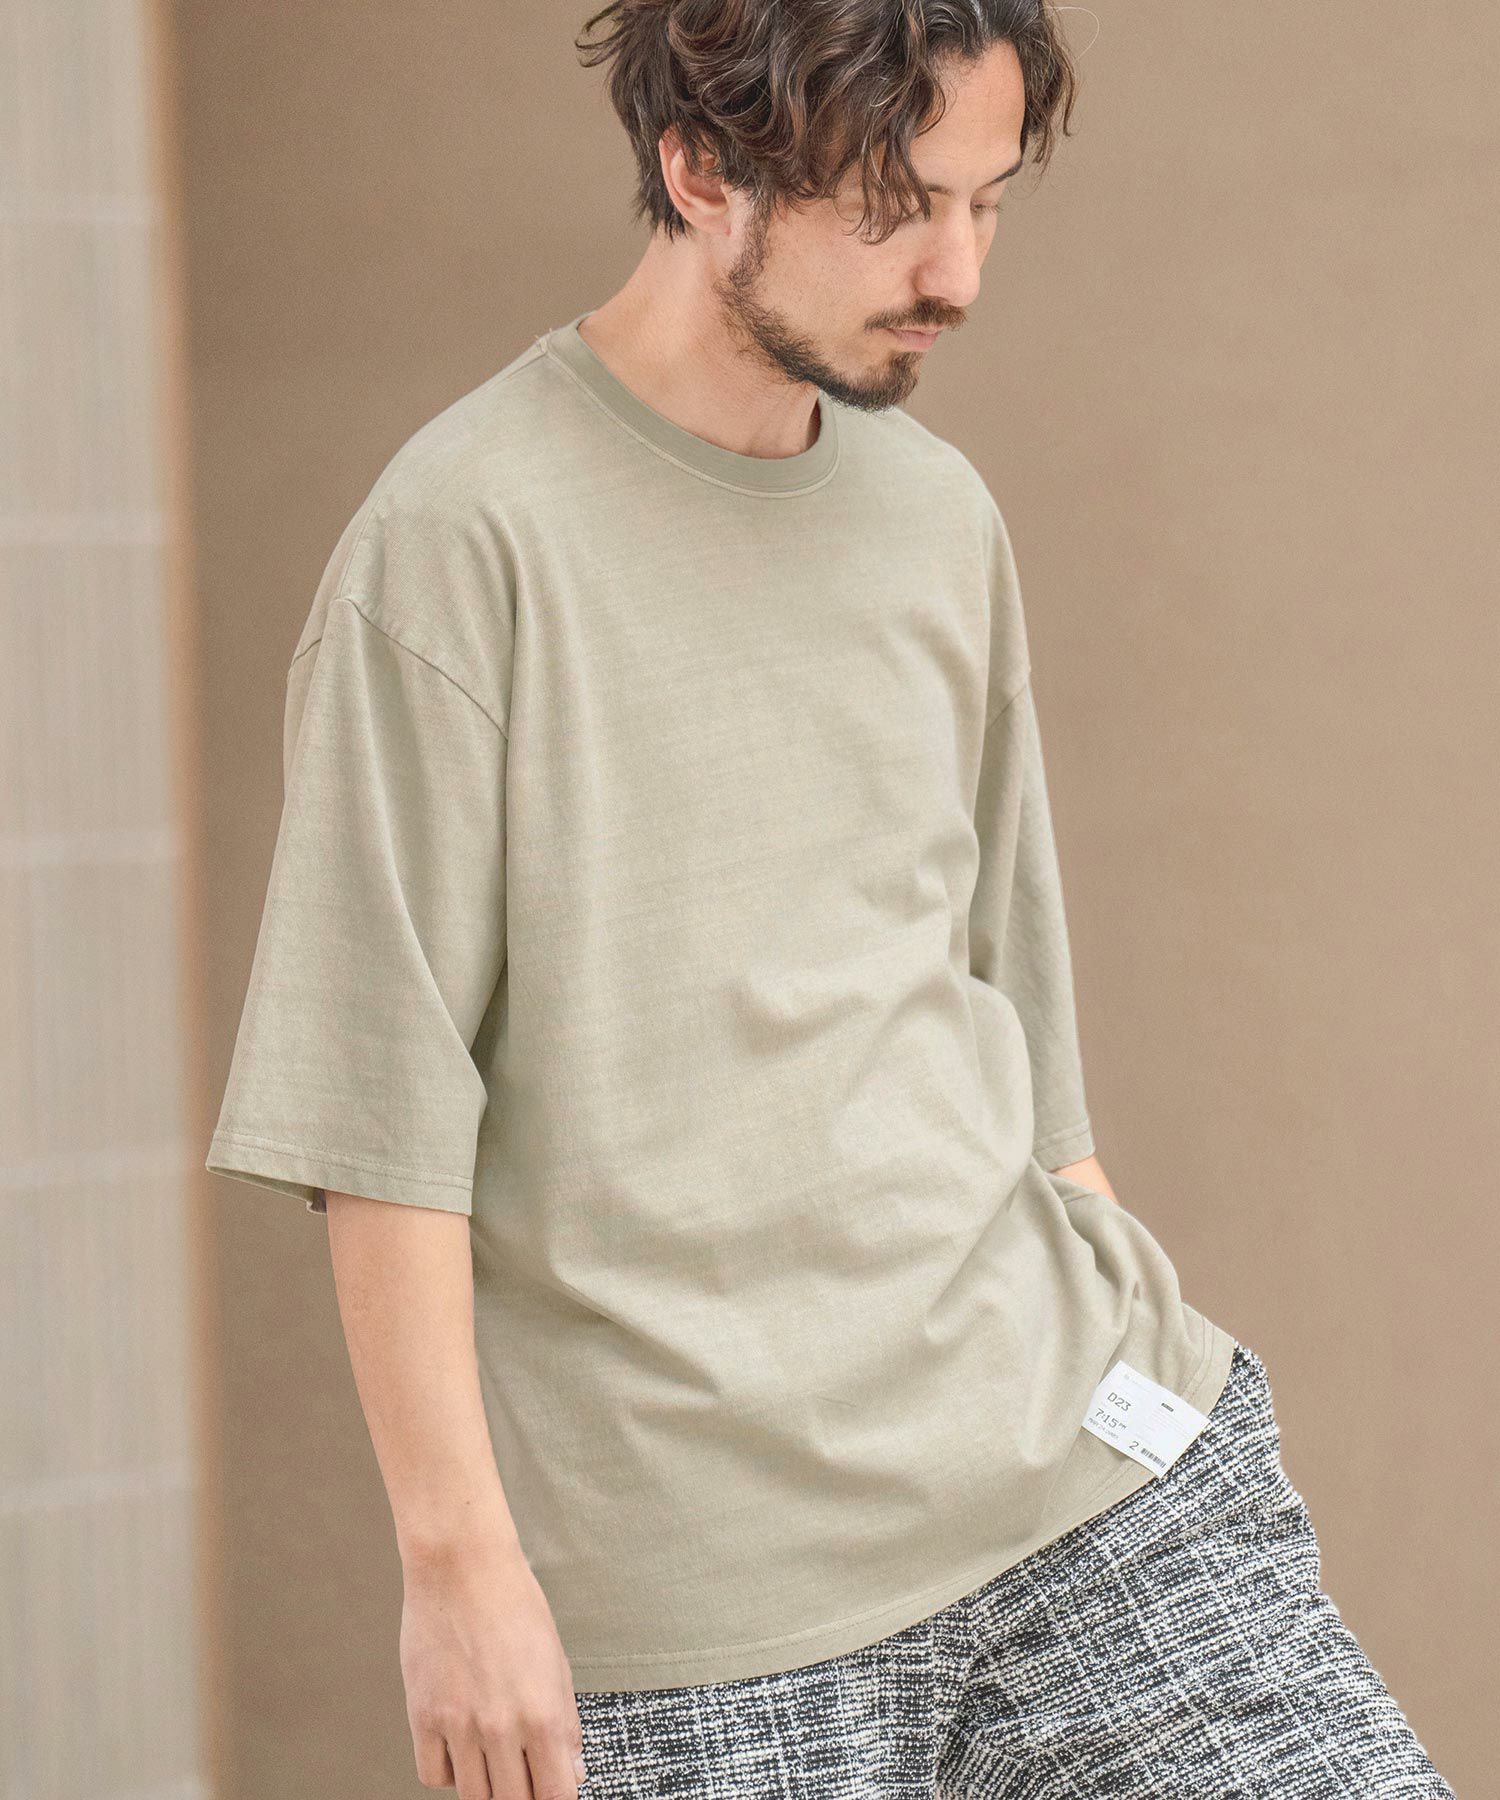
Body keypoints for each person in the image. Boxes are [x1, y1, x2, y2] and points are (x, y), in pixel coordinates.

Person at [205, 2, 1457, 1794]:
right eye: (894, 206)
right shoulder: (459, 546)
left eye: (986, 203)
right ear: (700, 167)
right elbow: (376, 1116)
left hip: (1081, 1477)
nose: (956, 273)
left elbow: (1017, 1028)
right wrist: (458, 1570)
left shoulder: (937, 518)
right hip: (709, 1609)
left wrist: (1166, 1399)